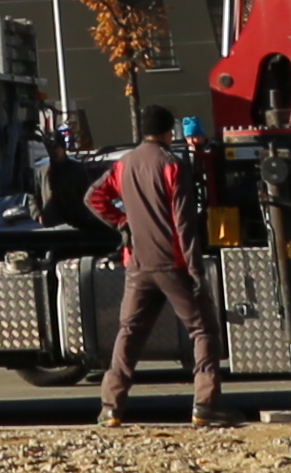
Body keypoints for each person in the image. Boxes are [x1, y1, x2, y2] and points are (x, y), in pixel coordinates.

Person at [86, 114, 227, 427]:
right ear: (167, 132)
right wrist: (195, 269)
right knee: (203, 329)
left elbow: (94, 196)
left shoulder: (124, 164)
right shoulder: (171, 165)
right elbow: (184, 221)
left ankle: (111, 408)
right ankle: (206, 405)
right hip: (172, 262)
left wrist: (121, 223)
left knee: (130, 332)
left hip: (137, 263)